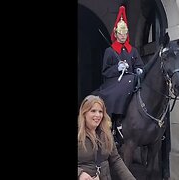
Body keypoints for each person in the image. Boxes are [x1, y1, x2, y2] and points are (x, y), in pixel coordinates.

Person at [95, 5, 144, 137]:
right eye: (120, 33)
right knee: (127, 82)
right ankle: (117, 119)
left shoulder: (133, 50)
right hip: (114, 82)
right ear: (116, 34)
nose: (123, 36)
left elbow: (139, 65)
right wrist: (117, 68)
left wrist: (139, 69)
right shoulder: (110, 51)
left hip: (132, 79)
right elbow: (105, 71)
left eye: (125, 33)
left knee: (134, 81)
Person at [78, 95, 136, 180]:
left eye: (100, 111)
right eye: (93, 111)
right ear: (84, 112)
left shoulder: (106, 133)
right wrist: (80, 173)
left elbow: (116, 160)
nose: (98, 115)